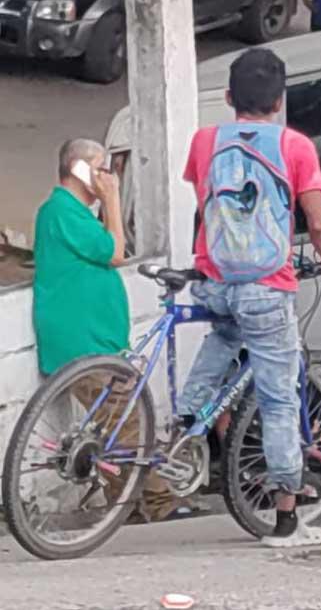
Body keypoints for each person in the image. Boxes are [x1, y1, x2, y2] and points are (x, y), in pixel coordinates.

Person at [180, 48, 321, 548]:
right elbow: (317, 222)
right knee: (280, 399)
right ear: (279, 101)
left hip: (215, 280)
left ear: (229, 97)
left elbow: (206, 203)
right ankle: (285, 518)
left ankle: (188, 414)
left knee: (225, 330)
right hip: (265, 286)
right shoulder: (295, 147)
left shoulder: (204, 141)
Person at [32, 139, 184, 524]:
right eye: (101, 168)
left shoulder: (76, 214)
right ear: (80, 169)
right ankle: (155, 504)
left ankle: (131, 503)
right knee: (126, 418)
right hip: (82, 343)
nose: (108, 177)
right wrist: (113, 200)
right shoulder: (60, 211)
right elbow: (116, 252)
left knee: (122, 417)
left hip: (98, 339)